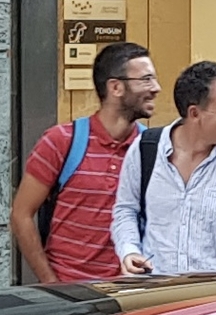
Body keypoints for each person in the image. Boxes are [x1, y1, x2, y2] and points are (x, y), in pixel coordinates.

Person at [112, 60, 216, 275]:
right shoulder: (145, 149)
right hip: (156, 296)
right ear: (194, 114)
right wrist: (129, 251)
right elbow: (126, 210)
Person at [9, 42, 161, 283]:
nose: (156, 88)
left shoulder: (152, 148)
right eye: (146, 79)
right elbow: (21, 214)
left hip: (131, 293)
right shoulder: (61, 141)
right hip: (71, 294)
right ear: (116, 87)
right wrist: (51, 283)